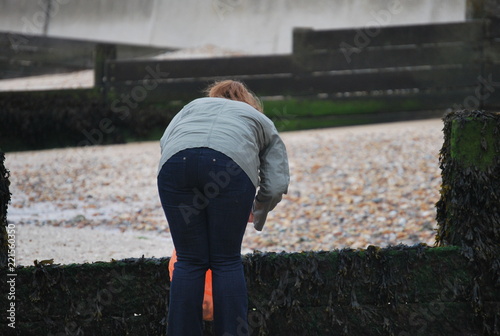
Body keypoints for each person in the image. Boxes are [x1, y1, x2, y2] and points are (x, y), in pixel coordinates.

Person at [157, 80, 290, 336]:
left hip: (175, 166)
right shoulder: (257, 118)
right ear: (248, 101)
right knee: (226, 261)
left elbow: (167, 142)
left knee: (189, 260)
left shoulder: (192, 107)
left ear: (213, 96)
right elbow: (275, 184)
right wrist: (257, 209)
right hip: (229, 168)